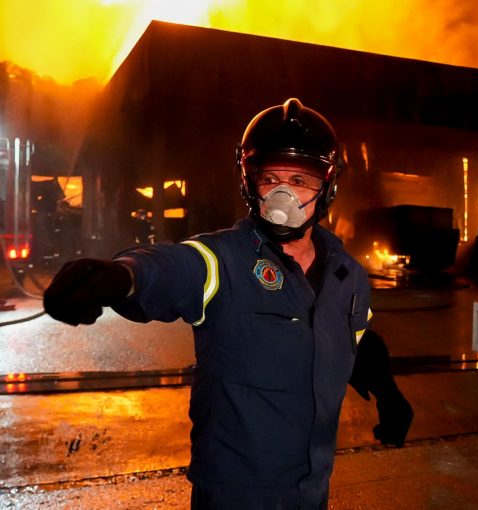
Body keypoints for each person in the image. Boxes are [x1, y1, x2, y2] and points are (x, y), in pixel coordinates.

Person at [43, 98, 413, 509]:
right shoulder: (226, 259)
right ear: (249, 183)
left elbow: (355, 338)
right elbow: (174, 268)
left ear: (326, 186)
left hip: (313, 489)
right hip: (235, 495)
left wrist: (387, 392)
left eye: (299, 179)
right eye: (270, 178)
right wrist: (122, 277)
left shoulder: (348, 274)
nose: (283, 194)